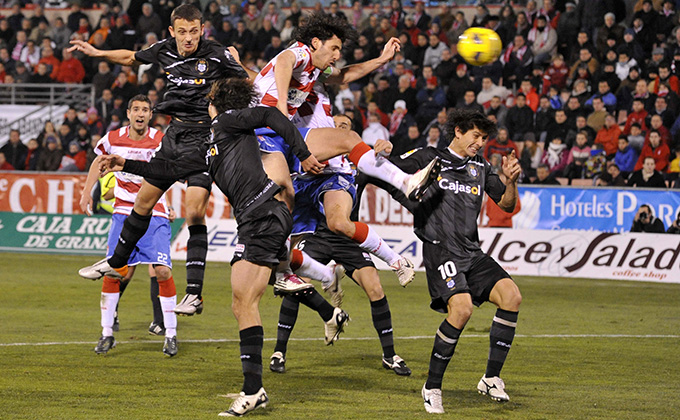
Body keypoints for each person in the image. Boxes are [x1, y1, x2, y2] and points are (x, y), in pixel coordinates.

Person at [70, 4, 252, 316]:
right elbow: (130, 57)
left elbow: (249, 82)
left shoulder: (217, 53)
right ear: (172, 32)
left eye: (194, 31)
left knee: (194, 210)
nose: (188, 38)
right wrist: (98, 53)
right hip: (173, 135)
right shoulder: (164, 50)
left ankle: (194, 294)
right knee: (143, 202)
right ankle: (115, 262)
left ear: (201, 30)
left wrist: (239, 64)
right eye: (182, 32)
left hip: (204, 137)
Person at [386, 109, 522, 413]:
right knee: (462, 309)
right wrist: (386, 158)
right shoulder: (429, 156)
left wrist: (511, 181)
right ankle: (432, 386)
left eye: (484, 138)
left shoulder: (481, 167)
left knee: (512, 296)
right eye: (476, 136)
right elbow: (392, 174)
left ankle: (490, 378)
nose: (480, 143)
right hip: (440, 250)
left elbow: (507, 204)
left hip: (471, 252)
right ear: (458, 131)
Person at [270, 111, 412, 377]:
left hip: (350, 240)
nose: (339, 130)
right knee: (295, 285)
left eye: (345, 127)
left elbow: (384, 168)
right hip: (319, 237)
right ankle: (279, 351)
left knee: (376, 288)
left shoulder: (358, 164)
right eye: (335, 126)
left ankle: (390, 355)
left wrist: (384, 150)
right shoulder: (309, 161)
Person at [78, 95, 178, 357]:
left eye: (145, 110)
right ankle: (107, 333)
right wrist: (87, 192)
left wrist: (171, 202)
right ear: (129, 113)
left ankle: (170, 333)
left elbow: (171, 170)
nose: (140, 114)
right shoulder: (113, 139)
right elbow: (97, 163)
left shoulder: (160, 139)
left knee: (163, 272)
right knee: (114, 272)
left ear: (151, 114)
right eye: (136, 109)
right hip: (123, 212)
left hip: (154, 212)